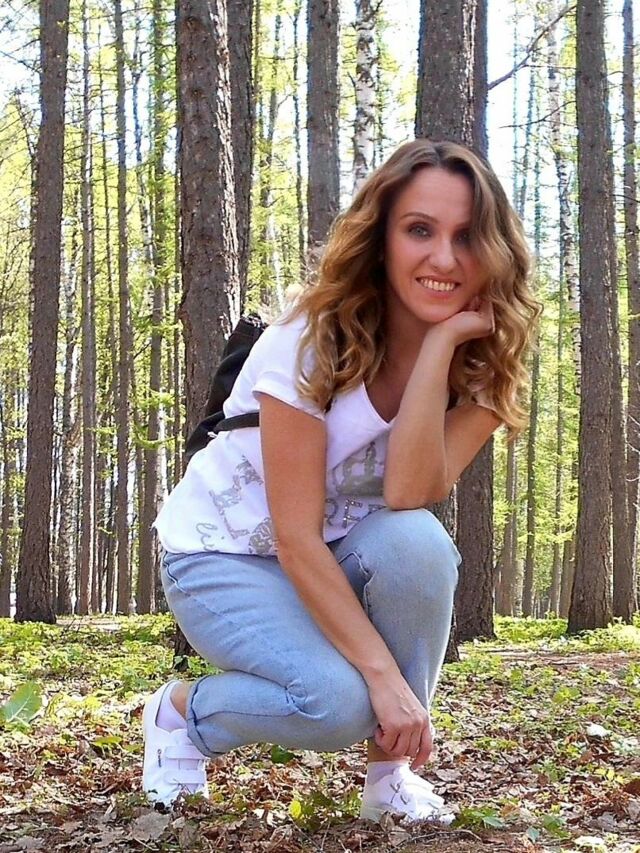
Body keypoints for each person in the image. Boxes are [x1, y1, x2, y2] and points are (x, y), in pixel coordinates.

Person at [142, 138, 541, 821]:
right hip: (222, 554)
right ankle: (179, 714)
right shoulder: (313, 337)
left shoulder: (482, 365)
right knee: (336, 704)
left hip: (333, 553)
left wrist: (439, 348)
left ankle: (390, 776)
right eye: (420, 230)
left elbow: (408, 495)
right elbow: (294, 537)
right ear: (381, 239)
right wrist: (382, 678)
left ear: (494, 251)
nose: (444, 259)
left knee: (417, 543)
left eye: (467, 236)